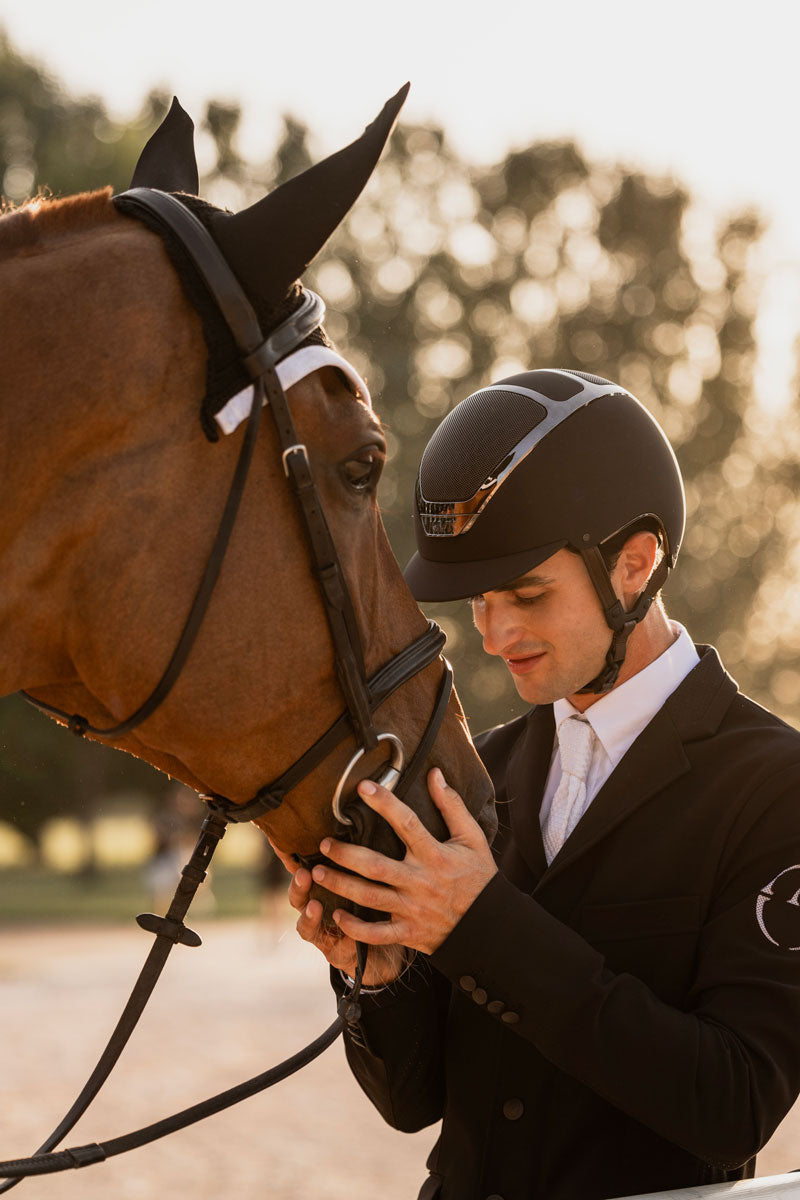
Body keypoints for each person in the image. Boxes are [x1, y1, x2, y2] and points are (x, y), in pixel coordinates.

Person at [275, 369, 800, 1200]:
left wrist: (480, 923)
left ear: (635, 565)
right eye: (480, 601)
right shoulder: (477, 771)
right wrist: (377, 977)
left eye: (526, 594)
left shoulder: (776, 787)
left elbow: (733, 1104)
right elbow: (412, 1103)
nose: (494, 634)